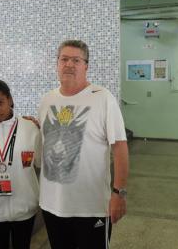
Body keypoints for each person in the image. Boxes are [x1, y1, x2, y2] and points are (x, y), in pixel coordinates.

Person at [38, 39, 129, 249]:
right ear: (57, 64)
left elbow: (120, 148)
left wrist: (119, 194)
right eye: (64, 59)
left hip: (91, 208)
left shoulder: (103, 98)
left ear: (86, 66)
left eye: (76, 60)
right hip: (52, 206)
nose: (69, 64)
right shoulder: (47, 100)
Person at [0, 80, 41, 249]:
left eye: (0, 103)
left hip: (25, 208)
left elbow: (40, 162)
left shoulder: (30, 128)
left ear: (10, 100)